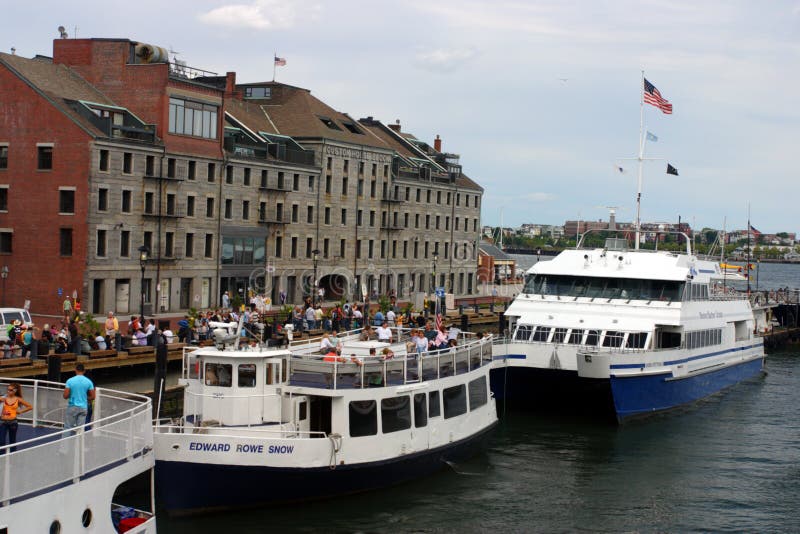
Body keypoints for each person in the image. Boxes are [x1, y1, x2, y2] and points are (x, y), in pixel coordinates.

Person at [63, 363, 95, 434]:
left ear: (75, 370)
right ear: (84, 371)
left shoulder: (70, 381)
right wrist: (85, 398)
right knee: (80, 430)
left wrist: (71, 394)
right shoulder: (89, 382)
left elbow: (65, 396)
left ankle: (65, 444)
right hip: (83, 407)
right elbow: (93, 396)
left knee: (68, 427)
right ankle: (79, 444)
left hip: (72, 406)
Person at [1, 382, 32, 453]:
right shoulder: (3, 398)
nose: (8, 391)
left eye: (11, 390)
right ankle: (2, 456)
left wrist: (20, 411)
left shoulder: (18, 399)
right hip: (3, 422)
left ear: (15, 391)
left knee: (12, 441)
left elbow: (30, 407)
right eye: (8, 389)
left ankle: (13, 456)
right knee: (1, 441)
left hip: (13, 422)